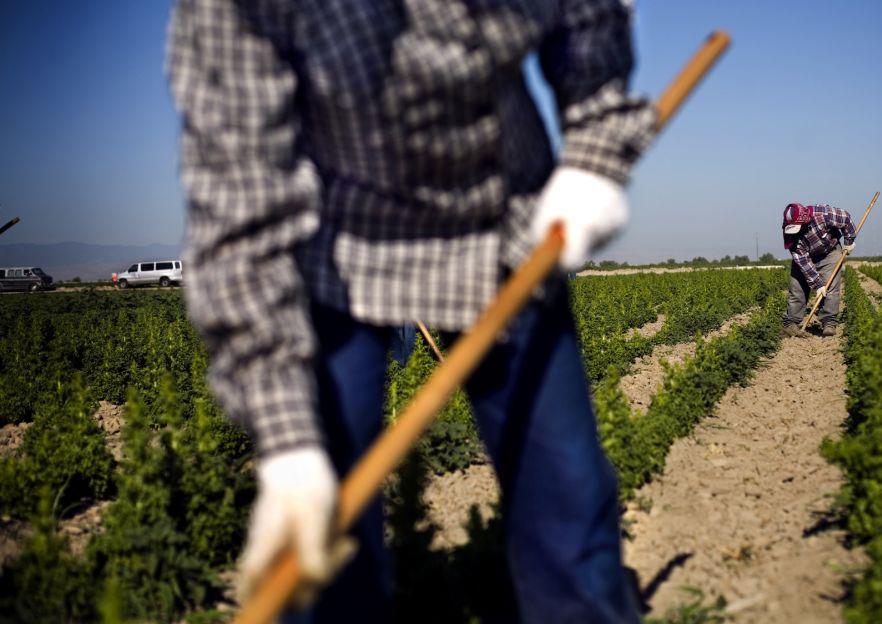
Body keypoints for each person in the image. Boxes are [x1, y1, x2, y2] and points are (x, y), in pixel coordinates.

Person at [167, 0, 654, 621]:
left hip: (510, 226)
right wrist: (288, 440)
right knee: (325, 556)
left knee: (570, 502)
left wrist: (594, 152)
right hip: (338, 253)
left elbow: (591, 22)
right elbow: (237, 205)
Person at [780, 203, 857, 337]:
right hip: (805, 256)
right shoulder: (789, 230)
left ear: (805, 220)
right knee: (797, 288)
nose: (796, 231)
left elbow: (846, 219)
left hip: (830, 252)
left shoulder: (823, 214)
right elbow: (802, 260)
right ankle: (791, 323)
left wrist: (849, 242)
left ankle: (829, 322)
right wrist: (818, 284)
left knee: (831, 287)